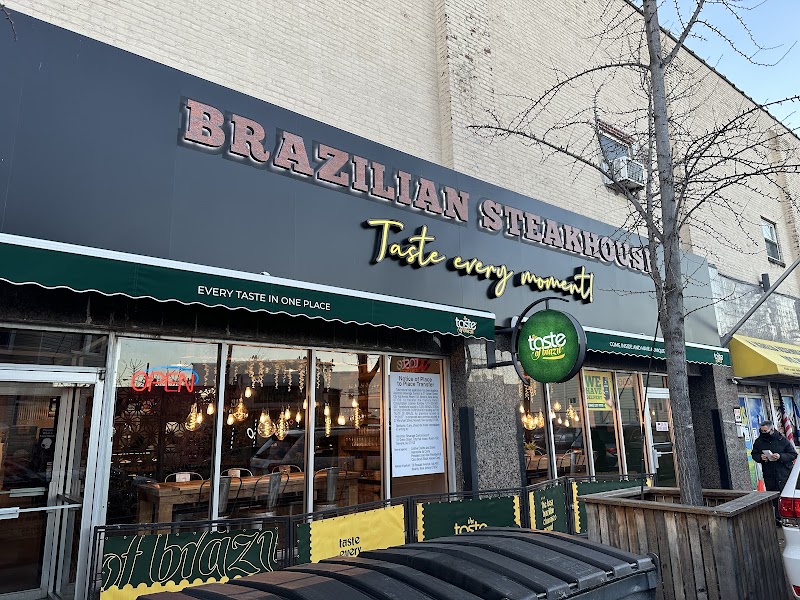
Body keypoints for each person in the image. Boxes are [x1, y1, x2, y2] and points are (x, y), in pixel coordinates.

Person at [752, 419, 797, 525]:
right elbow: (754, 454)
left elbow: (793, 454)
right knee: (774, 496)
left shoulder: (782, 439)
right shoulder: (759, 441)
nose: (763, 433)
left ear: (771, 430)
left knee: (785, 495)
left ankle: (789, 517)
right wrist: (760, 457)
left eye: (765, 431)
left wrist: (780, 456)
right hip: (769, 473)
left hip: (784, 472)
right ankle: (778, 518)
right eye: (761, 431)